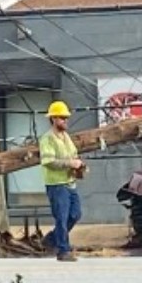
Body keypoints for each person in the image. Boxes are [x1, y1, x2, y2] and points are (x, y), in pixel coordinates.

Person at [39, 100, 85, 262]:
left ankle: (51, 239)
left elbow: (73, 155)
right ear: (53, 119)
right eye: (62, 118)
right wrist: (70, 163)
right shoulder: (47, 139)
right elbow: (48, 161)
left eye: (66, 118)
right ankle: (63, 250)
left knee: (75, 214)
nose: (66, 120)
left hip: (70, 182)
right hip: (56, 185)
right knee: (62, 218)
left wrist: (79, 165)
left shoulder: (66, 138)